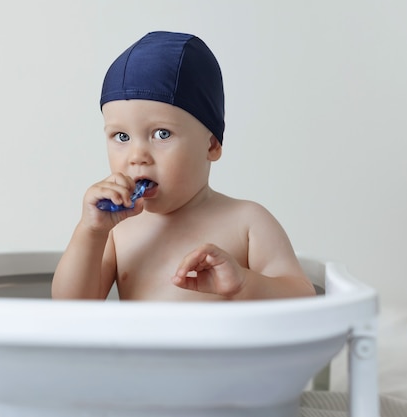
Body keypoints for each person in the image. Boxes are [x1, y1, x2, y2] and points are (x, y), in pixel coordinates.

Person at [52, 31, 316, 301]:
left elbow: (304, 296)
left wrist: (244, 284)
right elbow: (69, 307)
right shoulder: (117, 232)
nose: (137, 156)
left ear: (211, 145)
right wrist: (90, 232)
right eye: (122, 137)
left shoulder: (247, 223)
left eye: (161, 134)